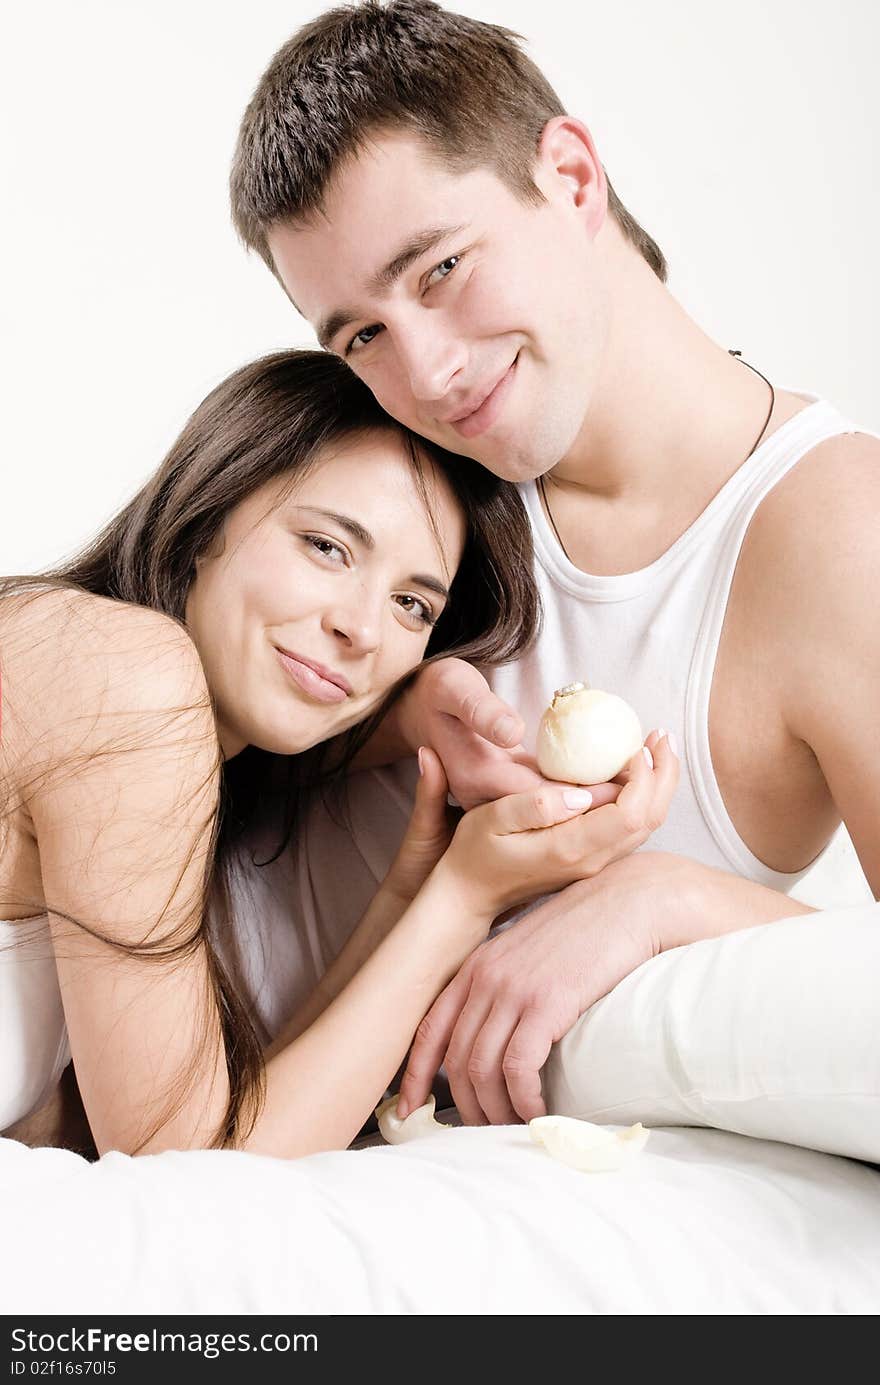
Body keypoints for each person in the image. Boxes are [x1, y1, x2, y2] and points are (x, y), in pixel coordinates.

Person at [227, 0, 879, 1126]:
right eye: (361, 334)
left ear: (572, 176)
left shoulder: (832, 533)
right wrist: (387, 723)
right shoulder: (389, 471)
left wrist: (668, 900)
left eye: (437, 270)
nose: (424, 374)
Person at [0, 347, 678, 1158]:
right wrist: (463, 898)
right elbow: (187, 1169)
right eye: (327, 546)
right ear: (207, 515)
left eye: (410, 602)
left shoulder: (132, 727)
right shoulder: (124, 675)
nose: (361, 628)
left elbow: (220, 1122)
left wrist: (421, 885)